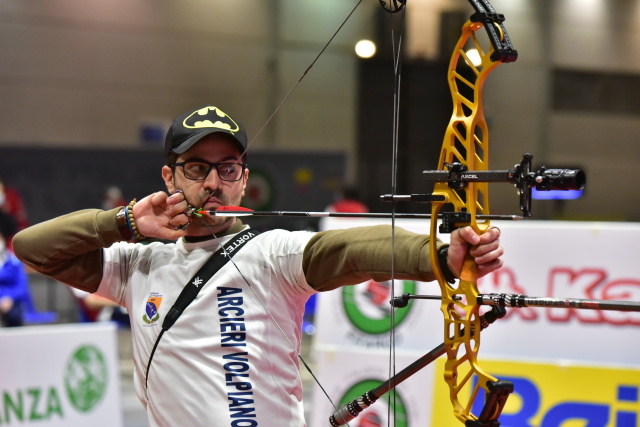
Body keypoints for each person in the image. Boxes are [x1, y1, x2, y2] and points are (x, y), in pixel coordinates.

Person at [12, 104, 504, 426]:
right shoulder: (135, 263)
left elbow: (348, 250)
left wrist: (438, 255)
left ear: (243, 181)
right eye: (196, 168)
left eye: (227, 169)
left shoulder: (272, 254)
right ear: (169, 176)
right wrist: (124, 222)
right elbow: (32, 247)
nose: (212, 183)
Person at [0, 211, 28, 327]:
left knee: (15, 314)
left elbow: (21, 287)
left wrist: (9, 298)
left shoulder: (13, 261)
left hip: (11, 305)